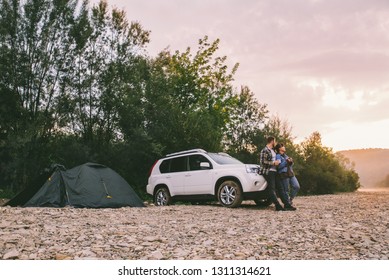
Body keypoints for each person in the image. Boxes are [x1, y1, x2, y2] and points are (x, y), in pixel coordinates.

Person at [258, 136, 286, 211]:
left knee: (280, 187)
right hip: (268, 171)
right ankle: (278, 206)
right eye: (275, 141)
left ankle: (287, 204)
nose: (275, 143)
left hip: (274, 171)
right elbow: (263, 162)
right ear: (272, 141)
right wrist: (273, 163)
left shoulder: (273, 151)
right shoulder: (264, 150)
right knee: (272, 188)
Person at [275, 143, 300, 209]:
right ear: (279, 148)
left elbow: (290, 164)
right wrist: (286, 162)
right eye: (283, 146)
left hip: (290, 173)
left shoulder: (286, 155)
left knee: (296, 186)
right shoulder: (278, 156)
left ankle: (289, 200)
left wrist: (291, 162)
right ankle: (287, 205)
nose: (284, 147)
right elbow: (279, 166)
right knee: (286, 190)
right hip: (284, 174)